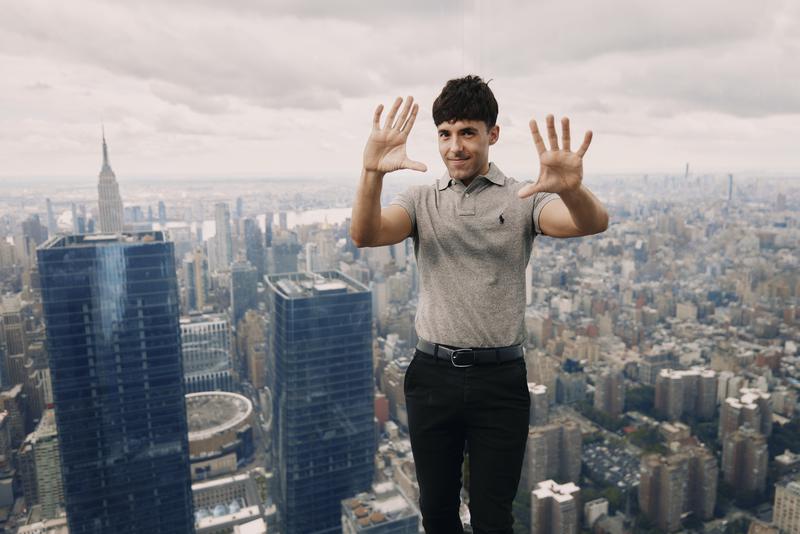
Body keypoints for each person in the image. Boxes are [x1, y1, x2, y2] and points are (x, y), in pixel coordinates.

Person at [350, 75, 609, 534]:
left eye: (468, 132)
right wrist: (371, 173)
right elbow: (366, 234)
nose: (455, 146)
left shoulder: (525, 196)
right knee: (437, 513)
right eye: (445, 134)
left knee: (493, 517)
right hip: (432, 375)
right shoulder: (420, 198)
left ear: (492, 134)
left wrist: (571, 188)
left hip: (499, 380)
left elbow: (587, 223)